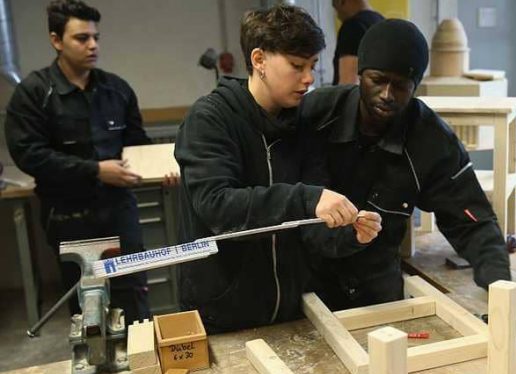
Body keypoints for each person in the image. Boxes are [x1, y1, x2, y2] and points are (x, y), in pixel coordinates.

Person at [301, 19, 516, 323]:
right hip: (306, 283)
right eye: (378, 80)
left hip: (376, 289)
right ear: (361, 74)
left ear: (415, 87)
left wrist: (501, 282)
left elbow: (471, 220)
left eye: (401, 86)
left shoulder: (431, 141)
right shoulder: (315, 114)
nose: (387, 94)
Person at [175, 5, 382, 333]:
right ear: (259, 60)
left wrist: (350, 234)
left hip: (290, 311)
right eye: (297, 66)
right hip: (224, 315)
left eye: (312, 65)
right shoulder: (210, 120)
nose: (309, 78)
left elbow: (312, 228)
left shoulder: (303, 125)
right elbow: (217, 207)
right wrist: (307, 198)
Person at [5, 0, 172, 322]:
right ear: (56, 40)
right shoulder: (34, 93)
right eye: (82, 38)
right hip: (69, 219)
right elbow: (29, 155)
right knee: (88, 310)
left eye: (95, 37)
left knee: (134, 301)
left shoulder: (117, 90)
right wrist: (95, 171)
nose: (93, 45)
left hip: (119, 214)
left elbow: (137, 146)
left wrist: (160, 170)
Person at [331, 0, 383, 85]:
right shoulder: (382, 22)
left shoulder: (353, 27)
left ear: (341, 2)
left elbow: (349, 83)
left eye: (336, 9)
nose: (338, 16)